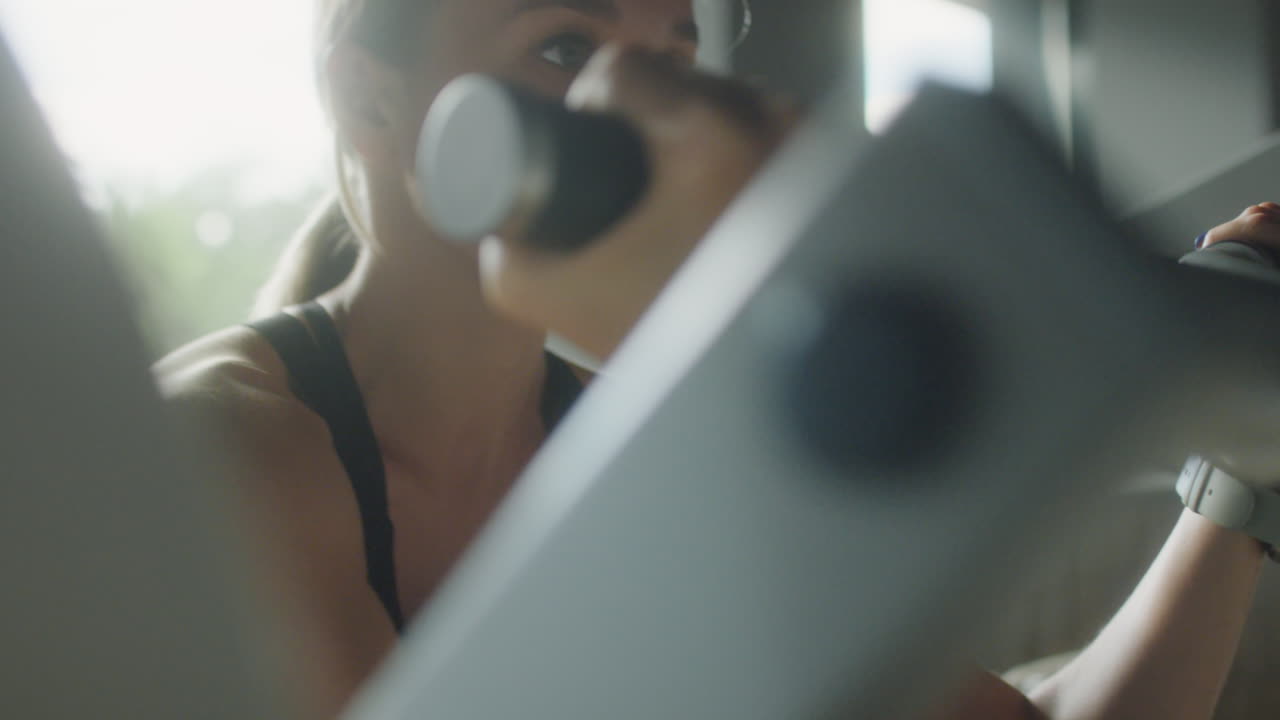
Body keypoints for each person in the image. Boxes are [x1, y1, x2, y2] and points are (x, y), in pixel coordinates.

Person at [154, 1, 1269, 717]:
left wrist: (1237, 487)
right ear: (367, 92)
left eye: (675, 56)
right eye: (563, 48)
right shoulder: (227, 448)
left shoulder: (623, 430)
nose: (645, 113)